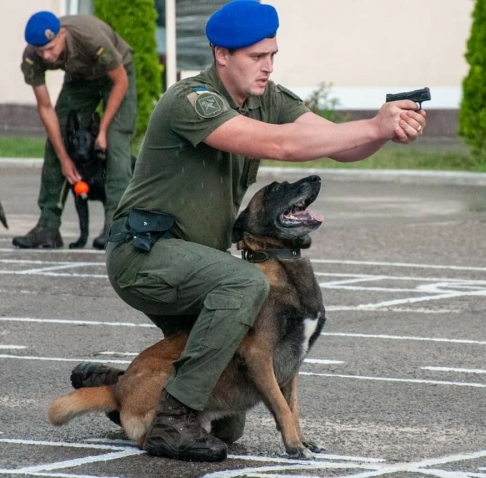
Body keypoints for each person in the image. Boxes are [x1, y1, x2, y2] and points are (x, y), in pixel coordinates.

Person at [71, 0, 427, 462]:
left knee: (231, 411)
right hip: (146, 255)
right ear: (222, 55)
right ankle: (172, 422)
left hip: (198, 267)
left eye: (273, 55)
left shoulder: (267, 97)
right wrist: (371, 125)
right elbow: (281, 143)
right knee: (247, 283)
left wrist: (383, 130)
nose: (268, 66)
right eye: (257, 57)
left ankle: (124, 385)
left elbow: (335, 143)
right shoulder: (191, 100)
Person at [13, 11, 137, 250]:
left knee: (115, 142)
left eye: (50, 48)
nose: (46, 56)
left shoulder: (90, 38)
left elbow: (120, 81)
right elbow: (45, 107)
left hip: (117, 74)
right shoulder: (32, 57)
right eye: (41, 51)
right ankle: (47, 227)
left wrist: (102, 129)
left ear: (62, 34)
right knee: (56, 138)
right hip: (80, 79)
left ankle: (116, 225)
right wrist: (63, 157)